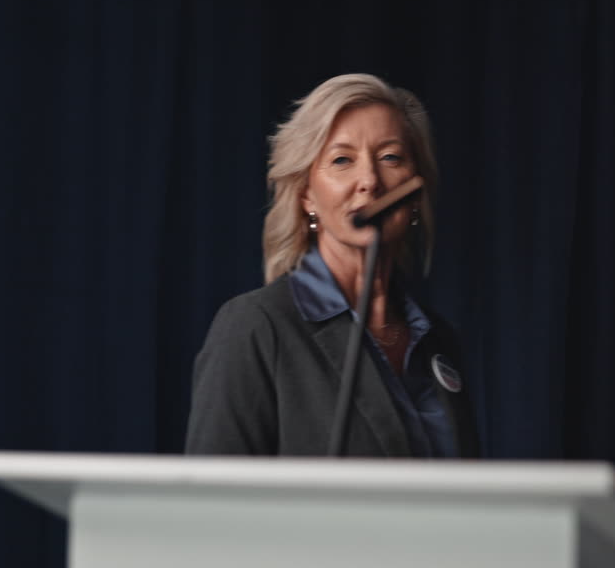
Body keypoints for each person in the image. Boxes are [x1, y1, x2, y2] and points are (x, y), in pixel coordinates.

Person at [185, 74, 479, 458]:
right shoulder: (256, 327)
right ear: (307, 196)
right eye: (342, 160)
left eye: (391, 157)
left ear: (414, 190)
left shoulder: (440, 340)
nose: (370, 181)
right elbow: (215, 492)